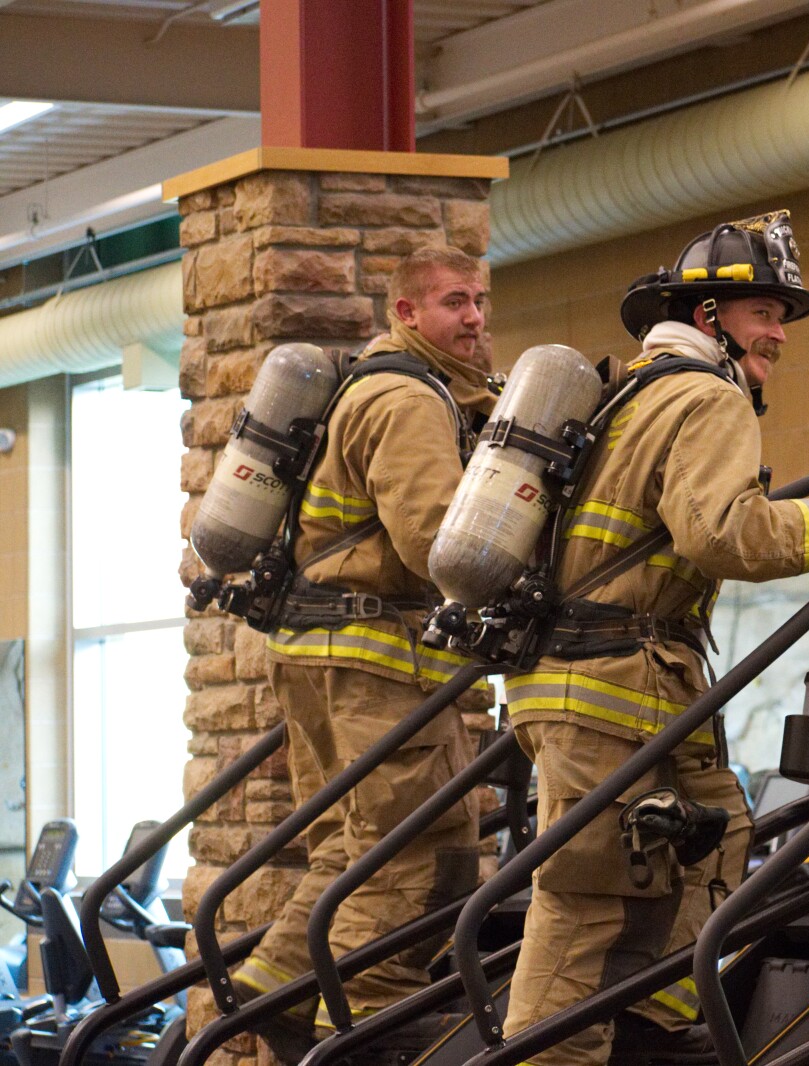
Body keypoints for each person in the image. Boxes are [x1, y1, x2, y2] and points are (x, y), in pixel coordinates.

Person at [499, 210, 809, 1066]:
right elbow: (724, 536)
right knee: (586, 897)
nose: (779, 333)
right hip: (613, 684)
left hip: (613, 681)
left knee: (712, 835)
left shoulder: (632, 392)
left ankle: (656, 1034)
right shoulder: (706, 396)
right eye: (762, 313)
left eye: (782, 315)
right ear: (708, 317)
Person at [232, 245, 501, 1055]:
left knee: (351, 847)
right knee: (426, 850)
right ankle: (368, 1025)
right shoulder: (407, 399)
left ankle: (269, 992)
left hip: (313, 652)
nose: (476, 318)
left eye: (481, 301)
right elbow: (432, 540)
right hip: (375, 659)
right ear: (406, 314)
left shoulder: (359, 388)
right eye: (456, 302)